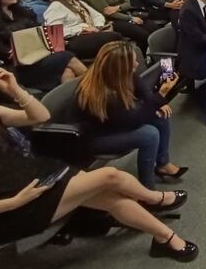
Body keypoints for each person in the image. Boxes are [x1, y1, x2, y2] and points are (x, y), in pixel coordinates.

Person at [0, 68, 198, 261]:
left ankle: (164, 237)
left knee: (111, 196)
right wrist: (13, 203)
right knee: (109, 177)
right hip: (1, 211)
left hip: (27, 181)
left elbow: (40, 116)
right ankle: (155, 199)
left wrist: (14, 89)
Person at [76, 41, 185, 189]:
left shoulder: (119, 74)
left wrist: (158, 102)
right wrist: (161, 94)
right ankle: (147, 190)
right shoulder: (105, 95)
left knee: (161, 117)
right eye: (133, 63)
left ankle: (163, 164)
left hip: (115, 123)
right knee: (149, 134)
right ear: (120, 67)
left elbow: (144, 92)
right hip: (97, 136)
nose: (137, 64)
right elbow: (134, 120)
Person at [0, 0, 85, 91]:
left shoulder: (19, 11)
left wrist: (52, 40)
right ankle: (93, 88)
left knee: (68, 70)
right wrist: (22, 49)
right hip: (12, 67)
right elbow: (0, 51)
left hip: (36, 57)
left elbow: (38, 31)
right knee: (66, 56)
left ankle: (77, 98)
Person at [44, 0, 123, 60]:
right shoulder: (56, 6)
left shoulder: (78, 2)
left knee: (120, 28)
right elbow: (54, 34)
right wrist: (82, 28)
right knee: (115, 36)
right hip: (71, 40)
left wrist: (97, 26)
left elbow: (97, 16)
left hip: (90, 33)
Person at [88, 0, 159, 53]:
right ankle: (143, 56)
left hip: (127, 14)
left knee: (153, 27)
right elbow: (109, 13)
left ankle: (156, 53)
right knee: (143, 34)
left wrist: (117, 7)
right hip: (113, 21)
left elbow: (128, 4)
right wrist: (130, 18)